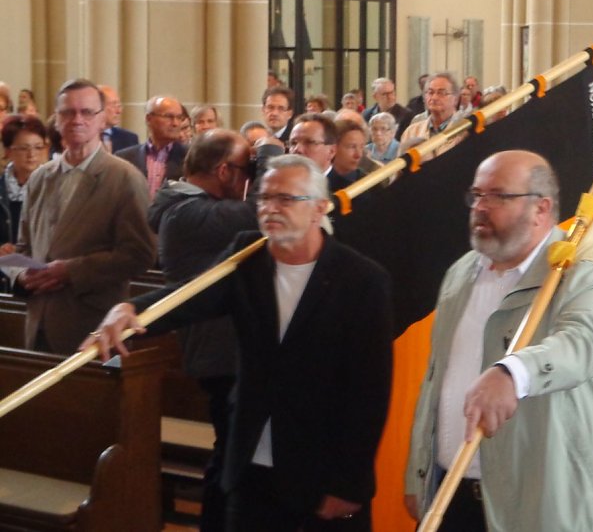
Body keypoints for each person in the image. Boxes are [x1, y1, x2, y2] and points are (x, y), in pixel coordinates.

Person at [83, 154, 393, 532]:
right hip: (250, 464)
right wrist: (130, 309)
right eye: (263, 198)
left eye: (285, 199)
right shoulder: (248, 256)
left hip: (321, 471)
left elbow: (370, 393)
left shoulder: (361, 280)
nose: (270, 209)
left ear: (319, 208)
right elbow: (190, 297)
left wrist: (348, 484)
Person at [405, 150, 593, 532]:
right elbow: (436, 379)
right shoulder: (461, 273)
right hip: (451, 493)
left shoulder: (586, 274)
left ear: (540, 209)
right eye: (476, 195)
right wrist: (420, 472)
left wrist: (513, 373)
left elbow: (581, 344)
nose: (480, 207)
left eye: (497, 196)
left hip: (550, 503)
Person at [148, 129, 283, 531]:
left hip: (224, 350)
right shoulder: (186, 213)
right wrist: (273, 158)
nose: (248, 178)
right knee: (230, 462)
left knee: (232, 458)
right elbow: (263, 211)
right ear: (224, 170)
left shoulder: (191, 207)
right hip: (220, 354)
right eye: (247, 169)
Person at [13, 78, 155, 354]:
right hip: (38, 321)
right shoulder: (40, 177)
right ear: (56, 120)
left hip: (90, 324)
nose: (77, 119)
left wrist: (71, 270)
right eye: (68, 112)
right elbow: (23, 247)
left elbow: (140, 254)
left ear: (103, 120)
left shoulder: (124, 178)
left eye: (87, 112)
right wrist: (21, 275)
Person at [115, 95, 189, 200]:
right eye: (169, 116)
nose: (176, 123)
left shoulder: (190, 157)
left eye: (179, 118)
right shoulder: (124, 158)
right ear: (149, 119)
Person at [0, 115, 49, 254]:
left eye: (38, 147)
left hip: (42, 268)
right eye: (24, 148)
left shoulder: (53, 186)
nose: (32, 154)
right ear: (8, 151)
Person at [399, 72, 466, 162]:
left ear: (455, 99)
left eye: (441, 93)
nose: (434, 97)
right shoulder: (412, 131)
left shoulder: (464, 130)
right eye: (430, 92)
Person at [98, 85, 139, 153]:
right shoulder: (84, 136)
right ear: (98, 106)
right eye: (114, 105)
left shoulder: (129, 138)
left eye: (119, 106)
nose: (119, 111)